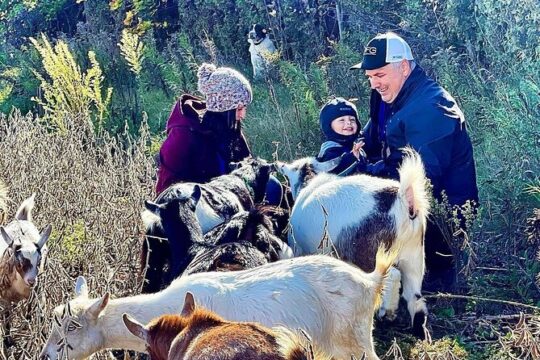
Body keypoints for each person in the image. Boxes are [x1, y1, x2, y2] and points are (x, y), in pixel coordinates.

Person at [350, 32, 479, 292]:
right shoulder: (389, 96)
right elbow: (374, 133)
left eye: (380, 74)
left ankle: (437, 283)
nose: (375, 83)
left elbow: (422, 181)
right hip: (404, 200)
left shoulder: (432, 107)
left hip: (441, 220)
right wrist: (360, 147)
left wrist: (369, 176)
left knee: (433, 290)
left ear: (405, 67)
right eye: (370, 77)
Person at [155, 63, 252, 195]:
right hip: (199, 208)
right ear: (223, 109)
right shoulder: (182, 137)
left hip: (235, 201)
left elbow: (248, 169)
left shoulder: (230, 130)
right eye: (239, 108)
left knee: (273, 186)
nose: (243, 115)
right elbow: (166, 192)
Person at [316, 97, 367, 176]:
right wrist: (352, 158)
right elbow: (333, 172)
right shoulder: (329, 151)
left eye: (352, 120)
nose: (348, 123)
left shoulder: (356, 144)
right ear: (329, 126)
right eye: (342, 120)